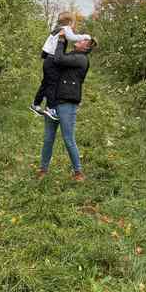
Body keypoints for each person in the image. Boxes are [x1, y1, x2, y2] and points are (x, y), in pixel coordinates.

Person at [38, 29, 96, 182]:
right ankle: (43, 170)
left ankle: (78, 172)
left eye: (85, 40)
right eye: (82, 38)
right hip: (54, 102)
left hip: (67, 103)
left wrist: (62, 40)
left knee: (68, 139)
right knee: (48, 138)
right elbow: (57, 58)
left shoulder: (81, 59)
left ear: (86, 48)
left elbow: (58, 59)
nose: (81, 39)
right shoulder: (72, 55)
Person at [30, 11, 92, 122]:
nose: (73, 27)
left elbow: (47, 44)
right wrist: (85, 36)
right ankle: (50, 108)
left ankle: (36, 104)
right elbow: (72, 37)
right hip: (52, 61)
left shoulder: (55, 30)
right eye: (73, 24)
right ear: (69, 22)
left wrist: (44, 55)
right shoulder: (65, 29)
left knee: (45, 83)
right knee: (52, 84)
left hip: (48, 59)